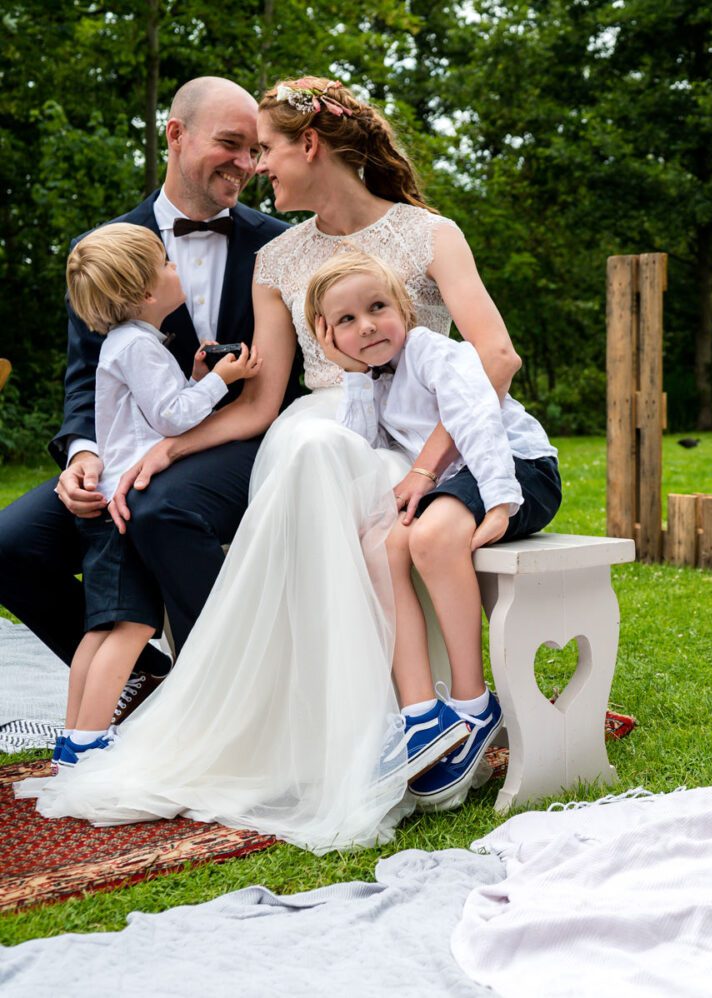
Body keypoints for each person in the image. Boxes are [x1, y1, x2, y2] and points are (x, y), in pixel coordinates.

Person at [18, 76, 525, 854]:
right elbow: (257, 406)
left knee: (315, 457)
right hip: (322, 417)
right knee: (310, 445)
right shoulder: (276, 254)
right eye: (242, 149)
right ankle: (286, 708)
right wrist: (170, 445)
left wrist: (430, 462)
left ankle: (397, 715)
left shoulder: (429, 234)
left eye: (266, 151)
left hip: (424, 424)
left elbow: (492, 358)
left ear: (310, 146)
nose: (257, 168)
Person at [0, 78, 291, 722]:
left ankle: (223, 685)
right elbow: (86, 380)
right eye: (230, 144)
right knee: (8, 543)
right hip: (130, 449)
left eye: (254, 150)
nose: (247, 164)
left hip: (239, 443)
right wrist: (81, 455)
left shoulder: (277, 241)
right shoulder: (104, 249)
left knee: (158, 507)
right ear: (176, 134)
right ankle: (143, 677)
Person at [308, 251, 560, 810]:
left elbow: (477, 418)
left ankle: (474, 703)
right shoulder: (371, 380)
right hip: (459, 484)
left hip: (517, 468)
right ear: (327, 336)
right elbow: (359, 447)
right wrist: (349, 375)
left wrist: (499, 499)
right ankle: (420, 714)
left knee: (429, 536)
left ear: (404, 310)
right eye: (346, 321)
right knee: (381, 547)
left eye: (377, 308)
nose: (367, 325)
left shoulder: (431, 352)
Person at [55, 224, 263, 767]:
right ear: (148, 293)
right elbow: (172, 419)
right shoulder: (139, 347)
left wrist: (195, 375)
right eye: (167, 266)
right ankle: (92, 744)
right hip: (126, 506)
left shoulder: (130, 343)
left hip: (107, 506)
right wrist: (221, 378)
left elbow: (157, 411)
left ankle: (73, 738)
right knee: (132, 625)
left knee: (101, 623)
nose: (177, 271)